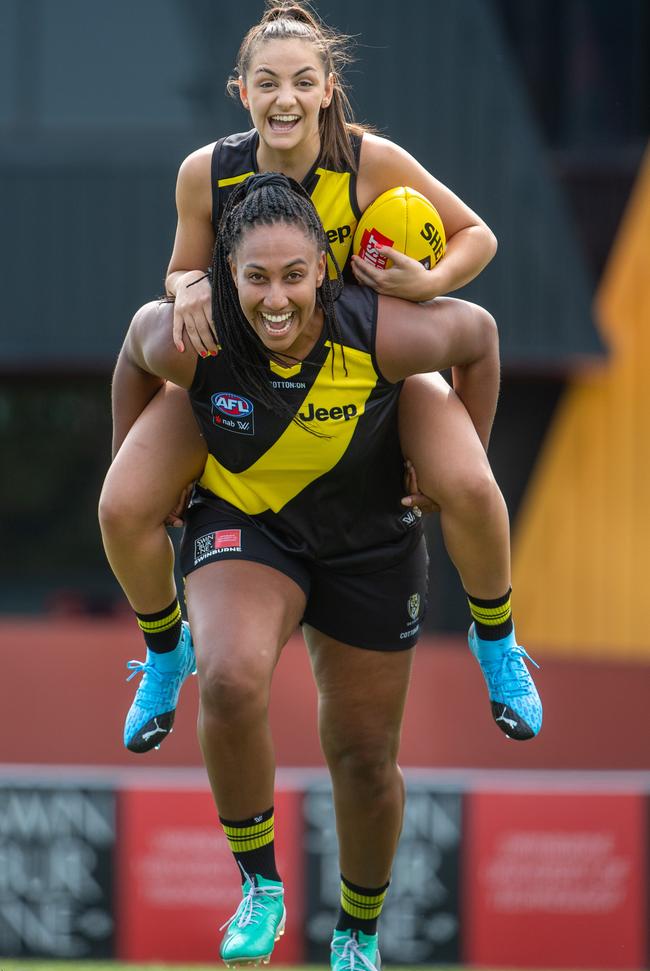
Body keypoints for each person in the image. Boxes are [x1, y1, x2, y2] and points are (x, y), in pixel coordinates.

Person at [109, 171, 533, 971]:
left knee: (366, 756)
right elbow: (135, 349)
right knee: (228, 682)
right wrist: (144, 464)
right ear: (224, 277)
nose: (276, 299)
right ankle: (259, 884)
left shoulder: (379, 333)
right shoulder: (193, 336)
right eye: (256, 278)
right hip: (251, 529)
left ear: (322, 275)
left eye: (294, 276)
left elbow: (478, 336)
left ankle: (358, 934)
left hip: (371, 537)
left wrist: (445, 465)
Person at [99, 0, 541, 755]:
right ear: (241, 91)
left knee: (471, 488)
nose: (285, 98)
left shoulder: (371, 162)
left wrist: (427, 282)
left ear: (328, 87)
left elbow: (479, 237)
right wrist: (188, 287)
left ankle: (495, 641)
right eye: (267, 83)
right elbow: (177, 271)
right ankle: (168, 656)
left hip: (362, 367)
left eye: (303, 81)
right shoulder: (205, 172)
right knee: (121, 507)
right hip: (238, 368)